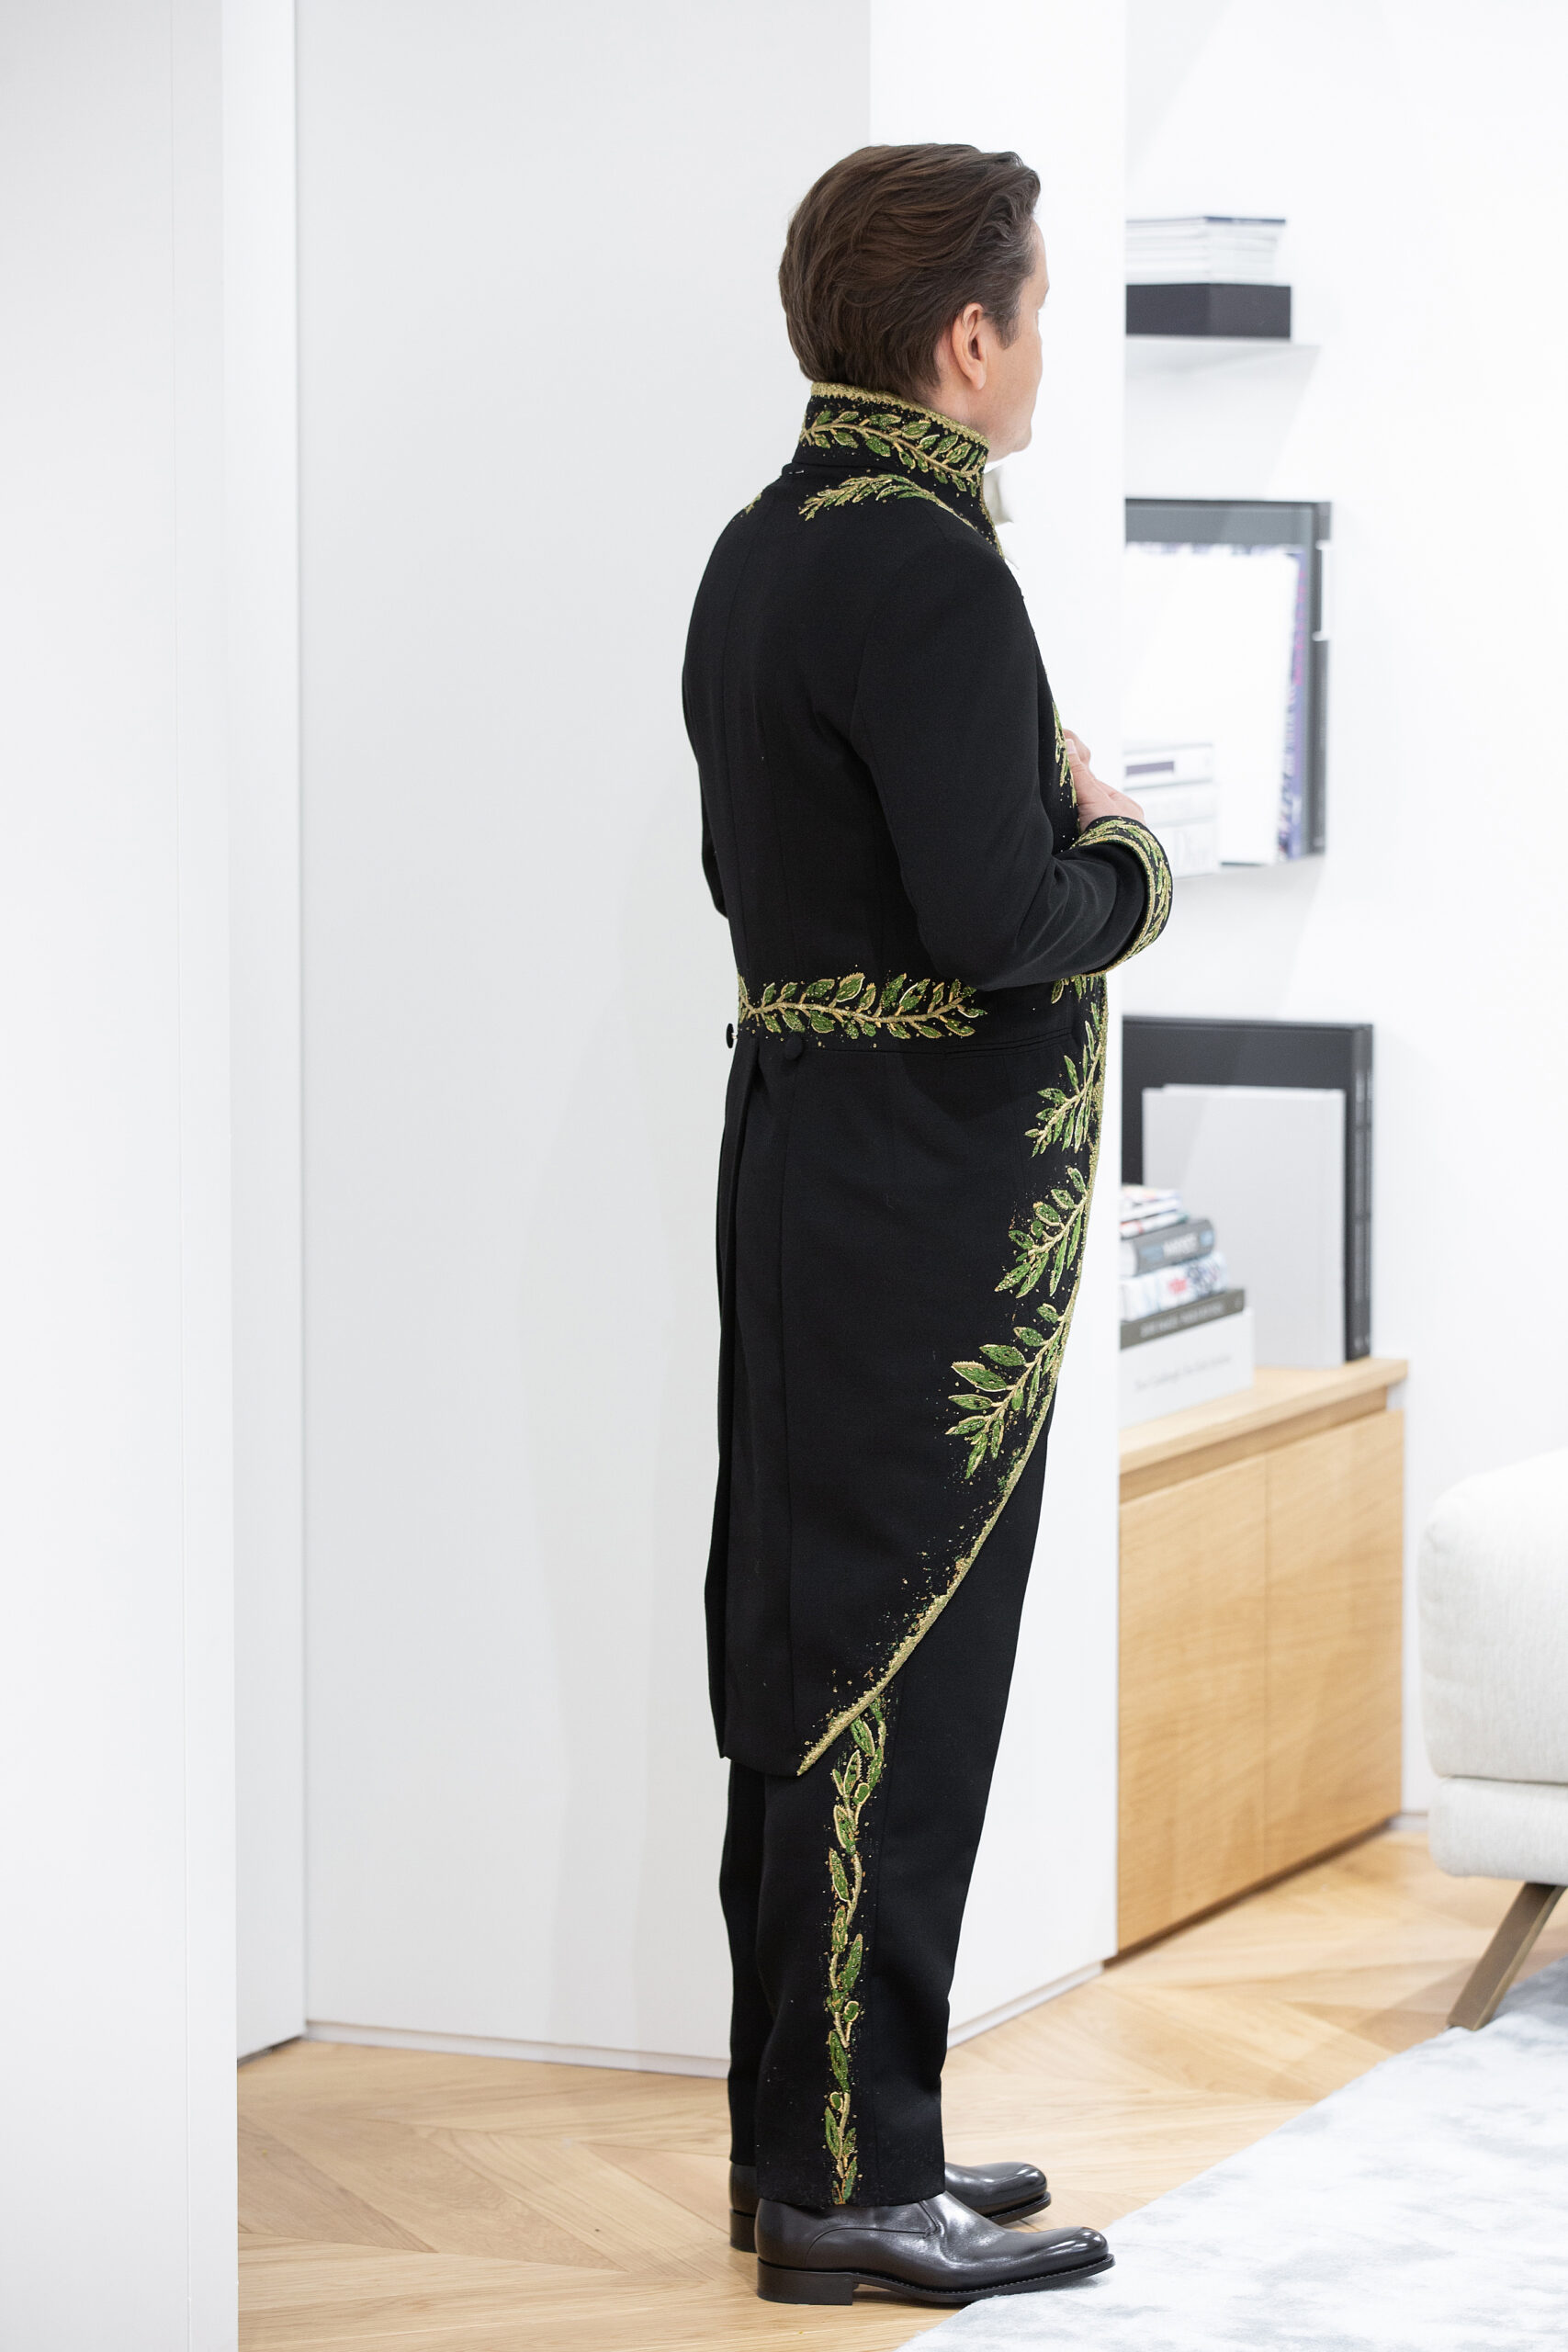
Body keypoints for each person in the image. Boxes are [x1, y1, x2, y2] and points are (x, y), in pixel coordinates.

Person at [682, 143, 1170, 2309]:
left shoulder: (762, 543)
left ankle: (816, 2140)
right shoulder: (930, 568)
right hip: (918, 1210)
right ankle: (845, 2184)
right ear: (964, 338)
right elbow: (996, 916)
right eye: (1036, 309)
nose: (1042, 344)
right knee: (892, 1662)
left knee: (807, 1655)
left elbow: (779, 883)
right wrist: (1126, 856)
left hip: (810, 1160)